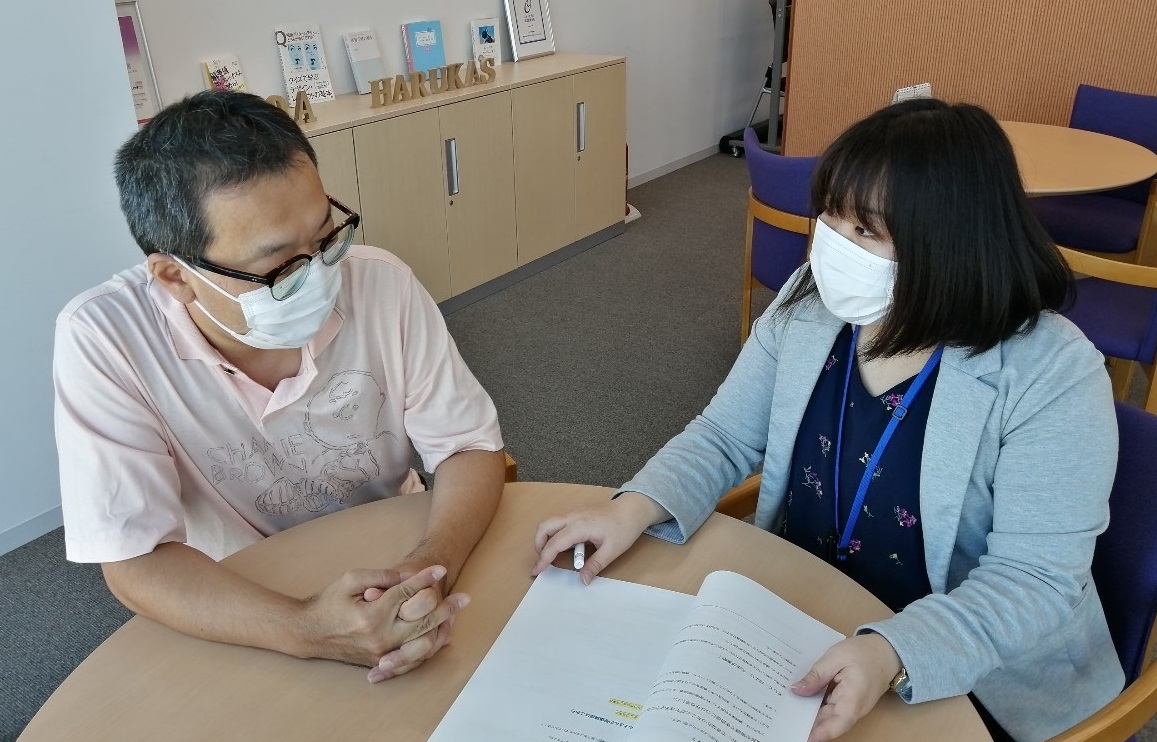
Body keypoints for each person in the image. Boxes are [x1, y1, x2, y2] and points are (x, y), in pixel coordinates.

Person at [532, 99, 1125, 742]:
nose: (832, 247)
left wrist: (891, 651)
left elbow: (1032, 581)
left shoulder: (1052, 373)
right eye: (830, 217)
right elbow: (725, 435)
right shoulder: (808, 302)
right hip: (802, 612)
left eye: (865, 231)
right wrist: (633, 506)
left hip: (963, 668)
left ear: (951, 243)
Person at [54, 90, 507, 683]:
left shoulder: (382, 285)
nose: (318, 277)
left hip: (394, 545)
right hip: (241, 595)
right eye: (277, 267)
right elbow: (135, 559)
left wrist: (428, 568)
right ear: (175, 277)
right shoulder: (104, 338)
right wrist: (305, 628)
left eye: (325, 238)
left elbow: (468, 445)